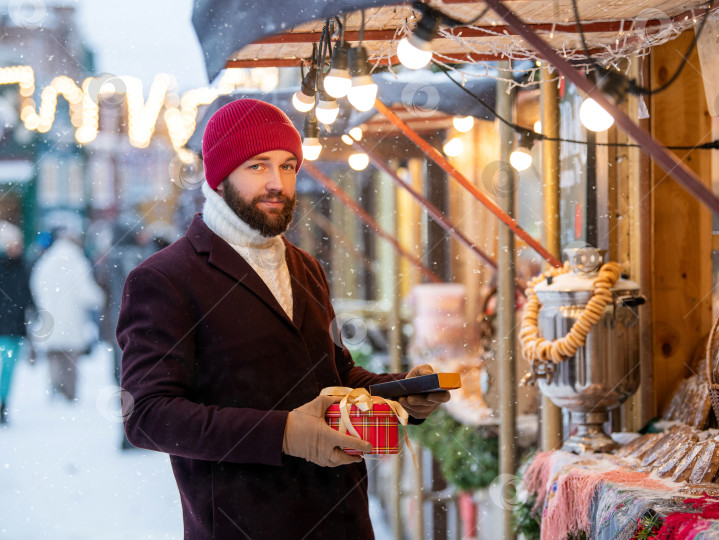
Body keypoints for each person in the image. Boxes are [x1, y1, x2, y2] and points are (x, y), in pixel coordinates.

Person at [117, 99, 450, 539]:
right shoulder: (165, 278)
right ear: (219, 176)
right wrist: (283, 433)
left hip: (342, 521)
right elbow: (148, 414)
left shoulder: (304, 266)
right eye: (258, 166)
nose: (278, 183)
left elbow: (336, 374)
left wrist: (400, 392)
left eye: (289, 166)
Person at [30, 225, 105, 402]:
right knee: (71, 357)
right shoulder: (77, 261)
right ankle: (69, 392)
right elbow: (85, 291)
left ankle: (55, 386)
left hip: (50, 318)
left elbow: (36, 285)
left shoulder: (46, 261)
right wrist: (100, 299)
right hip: (72, 318)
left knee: (54, 354)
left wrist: (43, 304)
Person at [0, 221, 34, 423]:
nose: (18, 248)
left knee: (9, 370)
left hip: (14, 327)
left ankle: (4, 403)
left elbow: (26, 294)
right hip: (6, 326)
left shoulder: (22, 266)